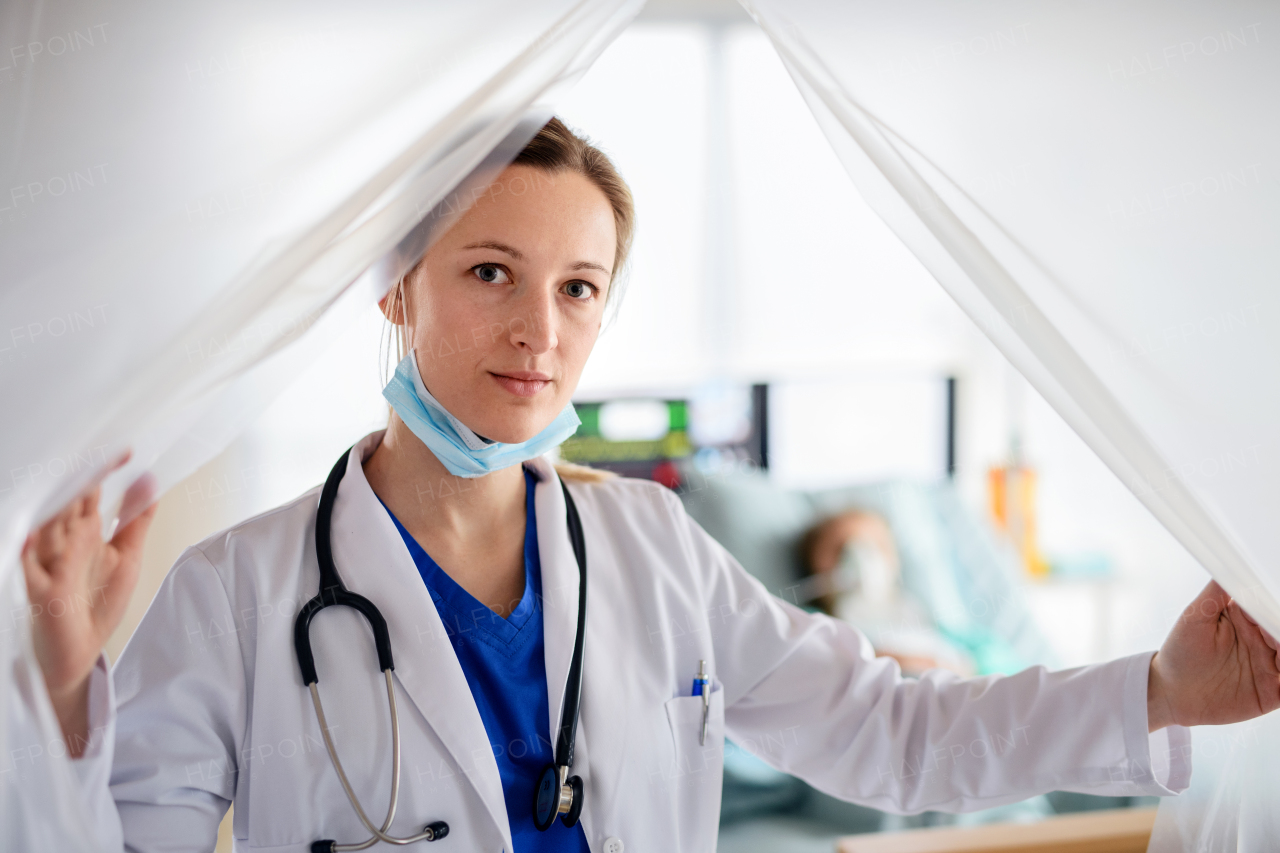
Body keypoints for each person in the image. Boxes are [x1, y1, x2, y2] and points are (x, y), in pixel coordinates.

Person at [21, 117, 1280, 853]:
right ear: (396, 289)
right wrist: (70, 679)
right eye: (490, 273)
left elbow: (893, 733)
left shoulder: (652, 544)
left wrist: (1161, 688)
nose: (540, 331)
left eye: (578, 286)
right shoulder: (240, 588)